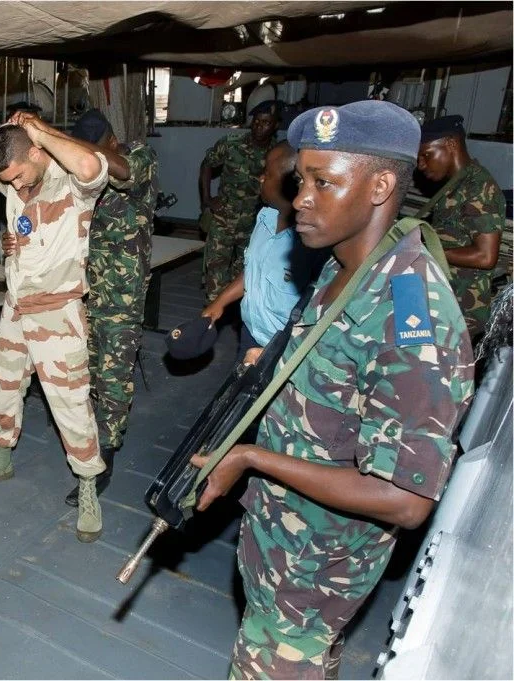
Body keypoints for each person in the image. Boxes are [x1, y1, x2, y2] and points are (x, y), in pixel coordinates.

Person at [191, 100, 475, 679]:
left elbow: (405, 499)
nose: (301, 198)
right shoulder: (343, 265)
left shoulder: (411, 315)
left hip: (317, 570)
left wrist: (250, 458)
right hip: (283, 540)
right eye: (301, 180)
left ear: (380, 186)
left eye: (324, 182)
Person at [0, 113, 109, 543]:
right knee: (5, 386)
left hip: (57, 313)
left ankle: (88, 485)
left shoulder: (71, 181)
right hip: (17, 308)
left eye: (18, 176)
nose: (14, 186)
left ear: (36, 153)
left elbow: (91, 165)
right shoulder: (13, 179)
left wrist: (41, 132)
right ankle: (1, 458)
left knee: (70, 404)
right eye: (8, 181)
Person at [0, 109, 158, 507]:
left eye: (93, 146)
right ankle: (84, 439)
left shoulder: (138, 155)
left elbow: (118, 170)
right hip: (75, 290)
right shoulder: (65, 169)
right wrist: (16, 239)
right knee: (80, 371)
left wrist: (47, 133)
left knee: (113, 374)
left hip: (119, 293)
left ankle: (106, 453)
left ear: (110, 141)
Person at [201, 140, 325, 364]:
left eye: (267, 174)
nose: (260, 178)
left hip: (287, 348)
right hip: (251, 332)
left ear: (290, 184)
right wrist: (220, 301)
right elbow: (253, 271)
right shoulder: (265, 218)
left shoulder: (310, 243)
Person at [417, 114, 505, 340]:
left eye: (426, 155)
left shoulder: (479, 187)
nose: (421, 164)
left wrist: (425, 251)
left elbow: (486, 257)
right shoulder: (455, 184)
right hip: (444, 300)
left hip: (463, 311)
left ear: (451, 144)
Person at [199, 100, 279, 303]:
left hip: (253, 223)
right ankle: (213, 311)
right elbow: (207, 165)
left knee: (245, 273)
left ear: (275, 125)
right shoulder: (231, 143)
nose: (259, 127)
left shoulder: (277, 154)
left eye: (266, 123)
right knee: (216, 271)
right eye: (257, 121)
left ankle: (234, 312)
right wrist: (207, 199)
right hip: (224, 218)